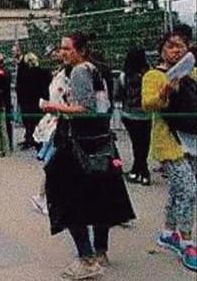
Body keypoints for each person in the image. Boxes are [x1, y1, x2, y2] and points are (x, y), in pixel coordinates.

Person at [41, 33, 135, 280]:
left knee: (66, 197)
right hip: (99, 141)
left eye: (66, 48)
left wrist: (54, 108)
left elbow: (86, 108)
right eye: (61, 49)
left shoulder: (80, 71)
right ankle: (100, 251)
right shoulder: (97, 69)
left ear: (80, 51)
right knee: (100, 195)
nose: (62, 53)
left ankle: (86, 257)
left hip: (80, 143)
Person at [142, 31, 197, 272]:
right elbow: (147, 104)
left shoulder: (193, 73)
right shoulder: (154, 75)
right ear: (162, 49)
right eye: (171, 46)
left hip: (192, 139)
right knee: (189, 189)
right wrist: (165, 91)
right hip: (168, 141)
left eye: (181, 46)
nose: (176, 50)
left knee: (178, 189)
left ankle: (168, 232)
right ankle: (187, 241)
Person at [30, 48, 71, 215]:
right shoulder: (62, 76)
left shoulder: (62, 75)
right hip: (59, 122)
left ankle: (44, 197)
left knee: (55, 163)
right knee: (54, 163)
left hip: (58, 121)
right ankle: (44, 198)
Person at [120, 48, 152, 186]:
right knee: (144, 144)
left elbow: (119, 94)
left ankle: (137, 170)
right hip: (146, 115)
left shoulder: (124, 76)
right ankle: (143, 172)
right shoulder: (149, 75)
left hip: (129, 114)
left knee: (136, 143)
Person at [16, 52, 51, 150]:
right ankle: (38, 140)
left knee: (28, 122)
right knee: (38, 121)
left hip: (26, 100)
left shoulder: (23, 73)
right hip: (39, 100)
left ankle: (29, 138)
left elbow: (19, 87)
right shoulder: (43, 72)